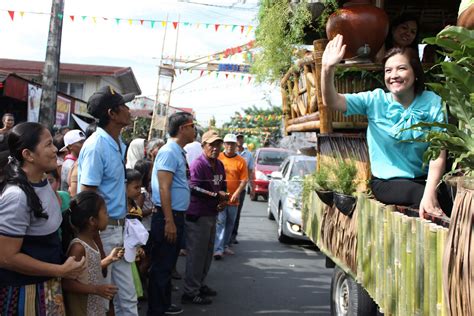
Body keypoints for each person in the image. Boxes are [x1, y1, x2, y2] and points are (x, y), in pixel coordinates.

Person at [321, 34, 452, 218]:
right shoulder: (375, 100)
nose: (393, 75)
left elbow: (438, 153)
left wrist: (430, 192)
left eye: (401, 68)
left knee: (450, 201)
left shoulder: (432, 102)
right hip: (387, 182)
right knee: (421, 198)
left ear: (415, 73)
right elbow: (332, 101)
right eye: (388, 70)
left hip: (425, 180)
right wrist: (328, 68)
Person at [0, 122, 85, 314]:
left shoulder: (42, 181)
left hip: (46, 287)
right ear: (28, 155)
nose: (56, 149)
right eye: (48, 145)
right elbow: (6, 257)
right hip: (24, 293)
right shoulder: (17, 196)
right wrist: (60, 270)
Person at [77, 85, 138, 316]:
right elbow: (87, 196)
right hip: (103, 233)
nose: (129, 109)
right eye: (124, 105)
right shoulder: (96, 146)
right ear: (112, 114)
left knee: (126, 295)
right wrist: (95, 239)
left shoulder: (117, 143)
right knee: (103, 300)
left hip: (118, 230)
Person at [148, 112, 195, 316]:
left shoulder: (178, 151)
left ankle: (164, 305)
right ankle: (156, 310)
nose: (195, 130)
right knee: (161, 265)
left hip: (175, 216)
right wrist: (169, 221)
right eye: (193, 126)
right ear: (183, 128)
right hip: (168, 216)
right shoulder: (168, 151)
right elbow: (164, 188)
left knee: (168, 265)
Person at [182, 130, 227, 305]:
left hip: (212, 213)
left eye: (218, 144)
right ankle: (190, 292)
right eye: (211, 145)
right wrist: (216, 196)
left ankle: (199, 285)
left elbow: (223, 186)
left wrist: (224, 198)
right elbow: (193, 188)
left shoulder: (220, 165)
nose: (215, 148)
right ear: (203, 146)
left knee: (207, 254)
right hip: (198, 215)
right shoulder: (198, 164)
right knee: (196, 255)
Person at [62, 191, 124, 316]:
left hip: (94, 305)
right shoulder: (78, 247)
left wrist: (109, 259)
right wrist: (96, 289)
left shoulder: (91, 241)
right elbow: (67, 283)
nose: (108, 216)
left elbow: (88, 270)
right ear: (92, 220)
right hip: (83, 308)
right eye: (105, 213)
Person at [214, 134, 248, 259]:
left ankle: (225, 245)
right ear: (224, 144)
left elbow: (244, 180)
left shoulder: (241, 161)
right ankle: (218, 249)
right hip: (221, 197)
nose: (229, 146)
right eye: (227, 143)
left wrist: (236, 194)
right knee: (220, 222)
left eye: (232, 144)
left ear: (236, 146)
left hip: (234, 198)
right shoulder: (218, 158)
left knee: (230, 223)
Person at [231, 133, 255, 244]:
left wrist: (252, 187)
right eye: (237, 138)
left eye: (241, 137)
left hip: (241, 188)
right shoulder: (230, 153)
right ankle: (224, 236)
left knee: (236, 212)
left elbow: (250, 172)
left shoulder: (248, 155)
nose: (239, 140)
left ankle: (233, 235)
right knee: (224, 213)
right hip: (228, 188)